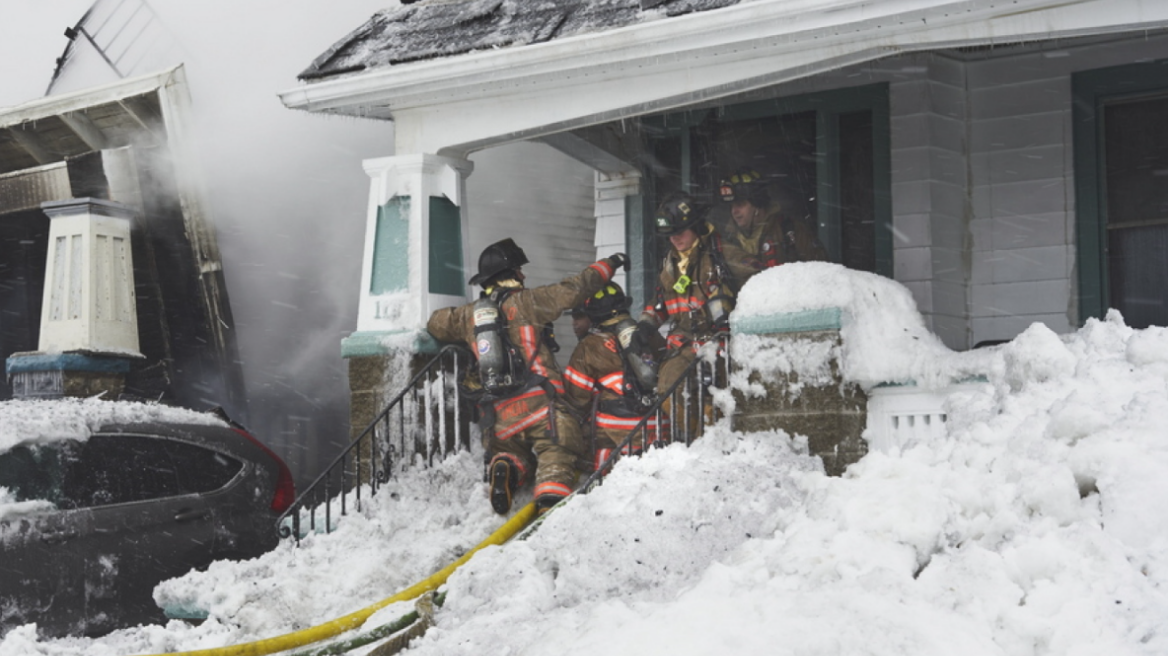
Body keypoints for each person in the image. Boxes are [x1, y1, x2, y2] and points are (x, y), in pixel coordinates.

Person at [426, 238, 628, 516]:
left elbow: (435, 323)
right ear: (510, 274)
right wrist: (609, 264)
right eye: (519, 270)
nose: (523, 275)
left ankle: (505, 466)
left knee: (512, 450)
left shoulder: (468, 316)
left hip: (499, 415)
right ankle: (549, 503)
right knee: (558, 448)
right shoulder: (529, 302)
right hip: (541, 404)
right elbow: (575, 289)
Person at [638, 194, 736, 441]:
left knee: (717, 397)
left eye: (680, 231)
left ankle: (715, 443)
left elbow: (756, 280)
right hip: (683, 344)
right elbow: (660, 301)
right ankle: (699, 440)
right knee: (669, 389)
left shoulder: (721, 255)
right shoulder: (670, 263)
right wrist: (645, 324)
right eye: (670, 234)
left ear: (697, 227)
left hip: (720, 342)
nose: (675, 238)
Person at [564, 282, 668, 472]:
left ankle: (601, 472)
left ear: (593, 314)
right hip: (659, 425)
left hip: (617, 430)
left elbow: (576, 398)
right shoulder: (651, 337)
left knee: (576, 430)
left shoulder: (590, 345)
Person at [716, 169, 827, 288]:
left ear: (757, 203)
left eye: (740, 204)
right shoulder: (727, 239)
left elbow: (822, 273)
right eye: (731, 206)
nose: (734, 211)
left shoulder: (789, 230)